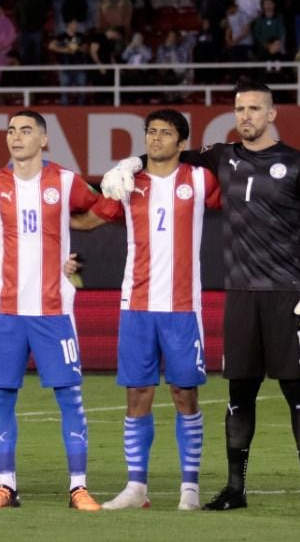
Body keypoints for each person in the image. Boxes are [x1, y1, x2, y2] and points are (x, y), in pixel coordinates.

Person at [101, 79, 300, 512]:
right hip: (240, 295)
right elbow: (170, 151)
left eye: (253, 108)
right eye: (239, 109)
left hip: (288, 293)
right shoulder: (222, 157)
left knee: (296, 390)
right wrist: (130, 162)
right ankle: (234, 488)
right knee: (238, 396)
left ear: (271, 114)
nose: (245, 116)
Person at [71, 111, 220, 511]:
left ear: (181, 143)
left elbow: (239, 179)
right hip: (135, 305)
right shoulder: (128, 184)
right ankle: (136, 487)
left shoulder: (200, 180)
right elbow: (88, 221)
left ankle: (190, 486)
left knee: (184, 393)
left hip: (182, 307)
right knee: (137, 395)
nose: (156, 139)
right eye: (151, 132)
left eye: (165, 133)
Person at [0, 110, 115, 512]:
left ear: (44, 140)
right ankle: (6, 487)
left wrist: (82, 234)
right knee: (1, 398)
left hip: (53, 310)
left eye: (26, 131)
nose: (16, 137)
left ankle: (78, 488)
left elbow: (99, 209)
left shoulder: (65, 181)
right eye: (11, 131)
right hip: (7, 310)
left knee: (70, 398)